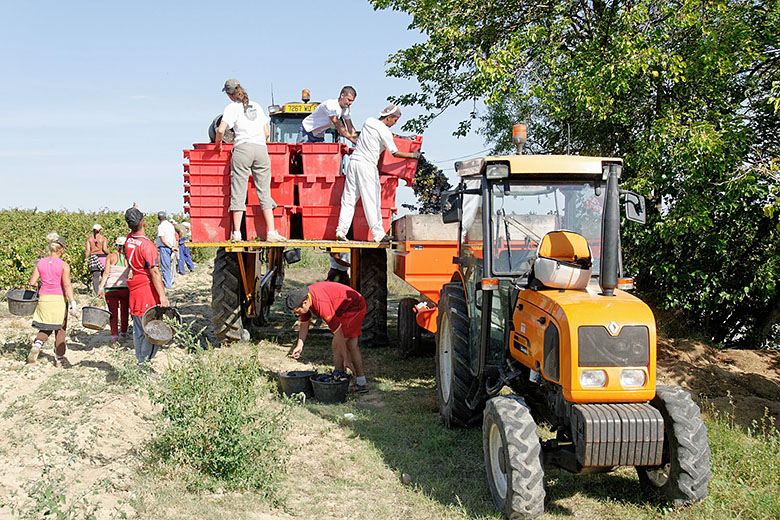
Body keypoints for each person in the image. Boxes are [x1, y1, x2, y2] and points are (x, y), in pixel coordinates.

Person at [335, 105, 421, 243]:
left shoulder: (368, 122)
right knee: (372, 200)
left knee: (349, 199)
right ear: (389, 118)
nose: (395, 123)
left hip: (354, 162)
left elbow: (377, 136)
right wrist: (413, 155)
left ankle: (341, 230)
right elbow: (395, 152)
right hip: (367, 165)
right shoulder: (385, 132)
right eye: (395, 120)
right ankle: (379, 234)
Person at [215, 78, 286, 243]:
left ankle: (237, 233)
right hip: (261, 150)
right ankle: (272, 232)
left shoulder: (232, 107)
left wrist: (218, 144)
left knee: (239, 190)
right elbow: (266, 133)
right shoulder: (256, 106)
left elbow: (220, 129)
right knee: (264, 191)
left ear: (229, 94)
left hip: (243, 148)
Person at [286, 282, 369, 393]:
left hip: (354, 306)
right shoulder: (304, 298)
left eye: (297, 312)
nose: (297, 315)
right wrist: (299, 345)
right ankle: (361, 382)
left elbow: (338, 333)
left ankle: (339, 377)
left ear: (304, 303)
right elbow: (305, 321)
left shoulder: (321, 304)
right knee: (351, 345)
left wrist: (346, 360)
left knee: (336, 344)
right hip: (346, 307)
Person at [124, 206, 170, 369]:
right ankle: (144, 363)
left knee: (138, 328)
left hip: (134, 288)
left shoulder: (129, 241)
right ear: (143, 223)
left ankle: (140, 360)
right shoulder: (148, 246)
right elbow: (155, 272)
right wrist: (162, 296)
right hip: (146, 289)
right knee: (151, 328)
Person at [27, 232, 78, 367]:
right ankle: (59, 359)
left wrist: (42, 285)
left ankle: (37, 344)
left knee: (46, 325)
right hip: (58, 299)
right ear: (61, 249)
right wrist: (73, 302)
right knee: (60, 329)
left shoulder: (40, 263)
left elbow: (32, 282)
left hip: (44, 298)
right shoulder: (63, 265)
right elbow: (66, 285)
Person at [97, 236, 130, 344]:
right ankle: (124, 332)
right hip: (125, 288)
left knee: (113, 313)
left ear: (116, 245)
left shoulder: (111, 257)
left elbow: (106, 273)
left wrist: (101, 287)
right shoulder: (128, 258)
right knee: (124, 311)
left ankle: (114, 336)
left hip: (111, 288)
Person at [85, 223, 109, 294]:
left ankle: (96, 293)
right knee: (104, 275)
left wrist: (86, 259)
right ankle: (105, 291)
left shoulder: (89, 239)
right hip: (103, 258)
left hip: (93, 257)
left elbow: (87, 250)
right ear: (100, 230)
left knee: (95, 277)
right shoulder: (103, 239)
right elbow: (104, 249)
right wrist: (110, 254)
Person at [155, 212, 176, 289]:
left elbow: (162, 239)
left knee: (165, 267)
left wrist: (170, 247)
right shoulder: (170, 225)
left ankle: (168, 285)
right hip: (171, 247)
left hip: (165, 247)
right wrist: (173, 247)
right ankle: (171, 281)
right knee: (170, 266)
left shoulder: (161, 227)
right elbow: (174, 237)